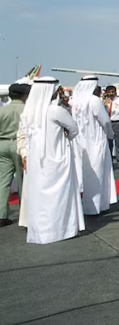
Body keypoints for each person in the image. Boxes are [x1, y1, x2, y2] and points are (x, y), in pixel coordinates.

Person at [18, 78, 83, 244]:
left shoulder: (28, 112)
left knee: (40, 197)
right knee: (59, 197)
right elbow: (74, 129)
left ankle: (42, 232)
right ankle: (60, 230)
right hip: (57, 159)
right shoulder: (55, 110)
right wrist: (66, 137)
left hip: (36, 162)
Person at [69, 76, 117, 216]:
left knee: (84, 172)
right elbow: (105, 121)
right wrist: (110, 135)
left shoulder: (75, 101)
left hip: (80, 142)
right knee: (97, 172)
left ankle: (88, 205)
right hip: (95, 140)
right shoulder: (94, 100)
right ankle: (96, 206)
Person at [0, 82, 29, 227]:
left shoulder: (2, 110)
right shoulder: (27, 110)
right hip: (20, 145)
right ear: (24, 95)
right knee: (23, 180)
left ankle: (1, 215)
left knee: (3, 181)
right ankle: (26, 214)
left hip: (3, 144)